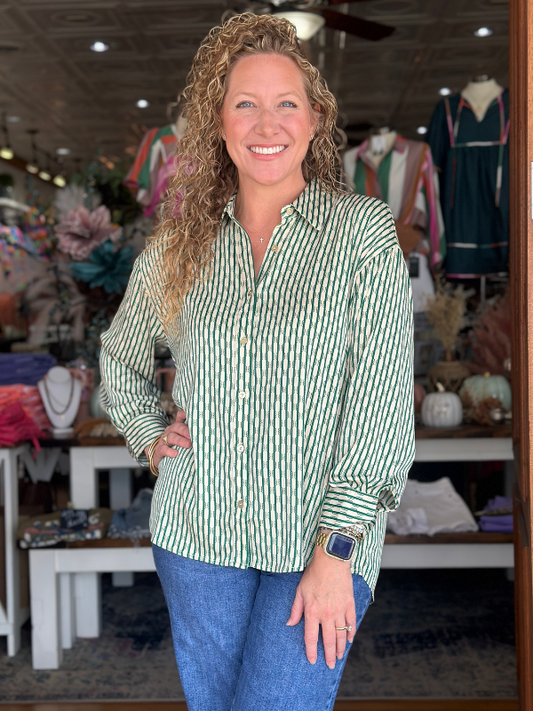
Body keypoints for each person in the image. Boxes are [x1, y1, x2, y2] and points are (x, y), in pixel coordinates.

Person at [99, 12, 415, 711]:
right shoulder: (178, 250)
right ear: (218, 123)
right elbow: (119, 358)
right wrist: (148, 435)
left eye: (285, 103)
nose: (264, 123)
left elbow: (381, 402)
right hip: (198, 536)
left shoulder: (358, 234)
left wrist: (335, 552)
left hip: (319, 540)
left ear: (314, 119)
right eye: (244, 103)